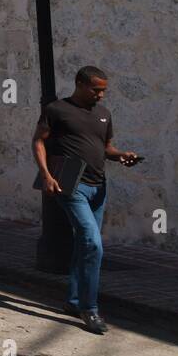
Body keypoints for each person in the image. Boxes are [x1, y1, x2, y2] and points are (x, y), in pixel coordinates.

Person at [32, 65, 142, 335]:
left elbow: (106, 148)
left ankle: (72, 300)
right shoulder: (57, 110)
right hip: (71, 184)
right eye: (96, 90)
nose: (101, 95)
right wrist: (46, 174)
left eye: (104, 90)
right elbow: (38, 141)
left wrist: (121, 155)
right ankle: (89, 309)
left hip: (98, 186)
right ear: (80, 84)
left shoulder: (104, 114)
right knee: (93, 243)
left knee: (85, 244)